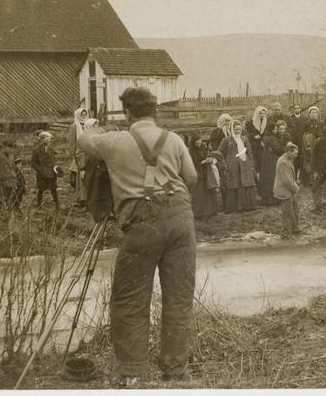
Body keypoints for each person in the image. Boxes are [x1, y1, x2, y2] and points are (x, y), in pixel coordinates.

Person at [77, 87, 197, 385]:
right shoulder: (174, 139)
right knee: (179, 297)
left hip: (142, 223)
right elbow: (191, 178)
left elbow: (83, 141)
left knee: (130, 298)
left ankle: (132, 372)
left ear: (128, 113)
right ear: (155, 112)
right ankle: (175, 371)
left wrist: (89, 126)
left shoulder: (116, 140)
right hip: (181, 219)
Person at [218, 120, 258, 213]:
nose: (238, 131)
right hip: (233, 166)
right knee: (235, 184)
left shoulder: (245, 139)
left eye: (239, 129)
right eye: (236, 129)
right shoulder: (227, 140)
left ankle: (247, 206)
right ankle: (234, 207)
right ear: (232, 129)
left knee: (245, 183)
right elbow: (219, 152)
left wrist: (251, 164)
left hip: (244, 165)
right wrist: (224, 163)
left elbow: (249, 152)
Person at [189, 133, 220, 220]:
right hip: (197, 174)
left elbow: (208, 155)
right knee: (199, 194)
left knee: (209, 192)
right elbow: (192, 164)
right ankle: (199, 214)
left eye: (200, 142)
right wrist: (203, 162)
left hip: (206, 172)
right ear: (193, 143)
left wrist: (209, 159)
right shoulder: (191, 151)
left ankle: (211, 211)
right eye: (197, 143)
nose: (199, 145)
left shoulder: (203, 147)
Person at [273, 142, 300, 238]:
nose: (296, 155)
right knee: (287, 213)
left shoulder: (288, 158)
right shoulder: (283, 162)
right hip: (284, 190)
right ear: (289, 152)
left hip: (289, 190)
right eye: (295, 153)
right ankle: (285, 233)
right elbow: (286, 180)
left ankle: (294, 228)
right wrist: (296, 188)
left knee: (295, 209)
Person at [31, 131, 60, 210]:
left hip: (51, 172)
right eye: (47, 139)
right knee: (41, 189)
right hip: (42, 173)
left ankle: (57, 205)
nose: (49, 141)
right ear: (42, 139)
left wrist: (55, 169)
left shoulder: (51, 149)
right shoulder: (36, 150)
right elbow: (33, 163)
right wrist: (39, 170)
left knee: (53, 188)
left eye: (49, 139)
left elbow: (53, 160)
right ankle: (39, 205)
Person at [257, 122, 283, 206]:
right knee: (272, 178)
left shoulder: (264, 137)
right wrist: (284, 148)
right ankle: (273, 199)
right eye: (274, 129)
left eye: (276, 129)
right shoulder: (272, 138)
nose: (276, 131)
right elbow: (278, 149)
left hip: (265, 160)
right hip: (272, 160)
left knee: (266, 178)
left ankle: (265, 199)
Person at [68, 108, 89, 205]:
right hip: (79, 153)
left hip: (88, 152)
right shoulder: (74, 126)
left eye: (85, 115)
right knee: (80, 175)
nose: (84, 116)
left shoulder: (88, 124)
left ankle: (86, 195)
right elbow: (72, 141)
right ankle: (81, 196)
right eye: (82, 115)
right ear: (78, 115)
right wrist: (74, 154)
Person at [300, 106, 322, 187]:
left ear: (317, 114)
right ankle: (308, 181)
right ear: (309, 114)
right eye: (312, 113)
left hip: (318, 146)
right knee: (308, 163)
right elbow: (303, 134)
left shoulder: (320, 123)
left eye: (315, 113)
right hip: (308, 146)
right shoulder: (306, 123)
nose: (314, 114)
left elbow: (322, 134)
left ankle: (317, 180)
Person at [287, 104, 308, 179]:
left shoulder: (305, 118)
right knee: (294, 160)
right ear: (293, 109)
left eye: (298, 108)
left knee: (302, 160)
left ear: (300, 109)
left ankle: (301, 178)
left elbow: (306, 130)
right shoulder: (290, 118)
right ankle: (294, 177)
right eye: (295, 108)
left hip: (302, 142)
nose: (296, 109)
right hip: (294, 142)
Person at [246, 106, 268, 171]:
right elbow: (247, 133)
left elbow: (268, 133)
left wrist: (264, 140)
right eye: (261, 113)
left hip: (262, 144)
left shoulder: (266, 122)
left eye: (264, 113)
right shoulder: (250, 123)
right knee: (254, 160)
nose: (262, 115)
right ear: (257, 113)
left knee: (262, 160)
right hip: (253, 144)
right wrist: (253, 135)